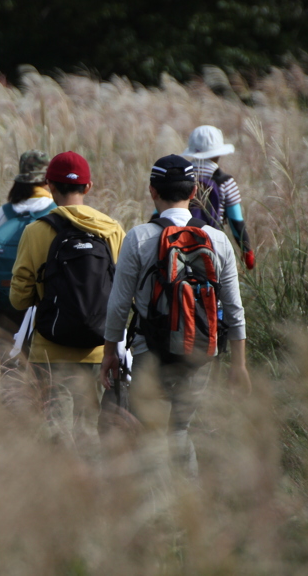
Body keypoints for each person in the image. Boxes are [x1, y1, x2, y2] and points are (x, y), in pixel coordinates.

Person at [101, 155, 250, 475]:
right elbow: (235, 310)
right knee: (179, 431)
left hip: (148, 352)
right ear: (195, 191)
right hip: (200, 352)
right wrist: (239, 365)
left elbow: (117, 305)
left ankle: (156, 513)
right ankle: (190, 513)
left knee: (151, 433)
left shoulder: (138, 238)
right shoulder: (219, 240)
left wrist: (110, 352)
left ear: (153, 191)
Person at [9, 151, 125, 450]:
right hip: (102, 350)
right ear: (88, 187)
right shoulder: (113, 230)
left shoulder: (36, 231)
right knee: (92, 434)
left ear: (49, 185)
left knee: (55, 435)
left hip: (50, 350)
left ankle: (61, 493)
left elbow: (19, 299)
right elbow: (127, 295)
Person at [0, 150, 55, 366]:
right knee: (45, 370)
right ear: (47, 180)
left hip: (8, 299)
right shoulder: (57, 211)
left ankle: (13, 399)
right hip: (47, 303)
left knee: (10, 368)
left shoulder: (4, 213)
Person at [183, 125, 255, 270]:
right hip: (212, 246)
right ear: (219, 153)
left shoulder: (179, 177)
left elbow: (160, 212)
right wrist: (247, 251)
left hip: (178, 245)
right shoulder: (225, 181)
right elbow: (236, 221)